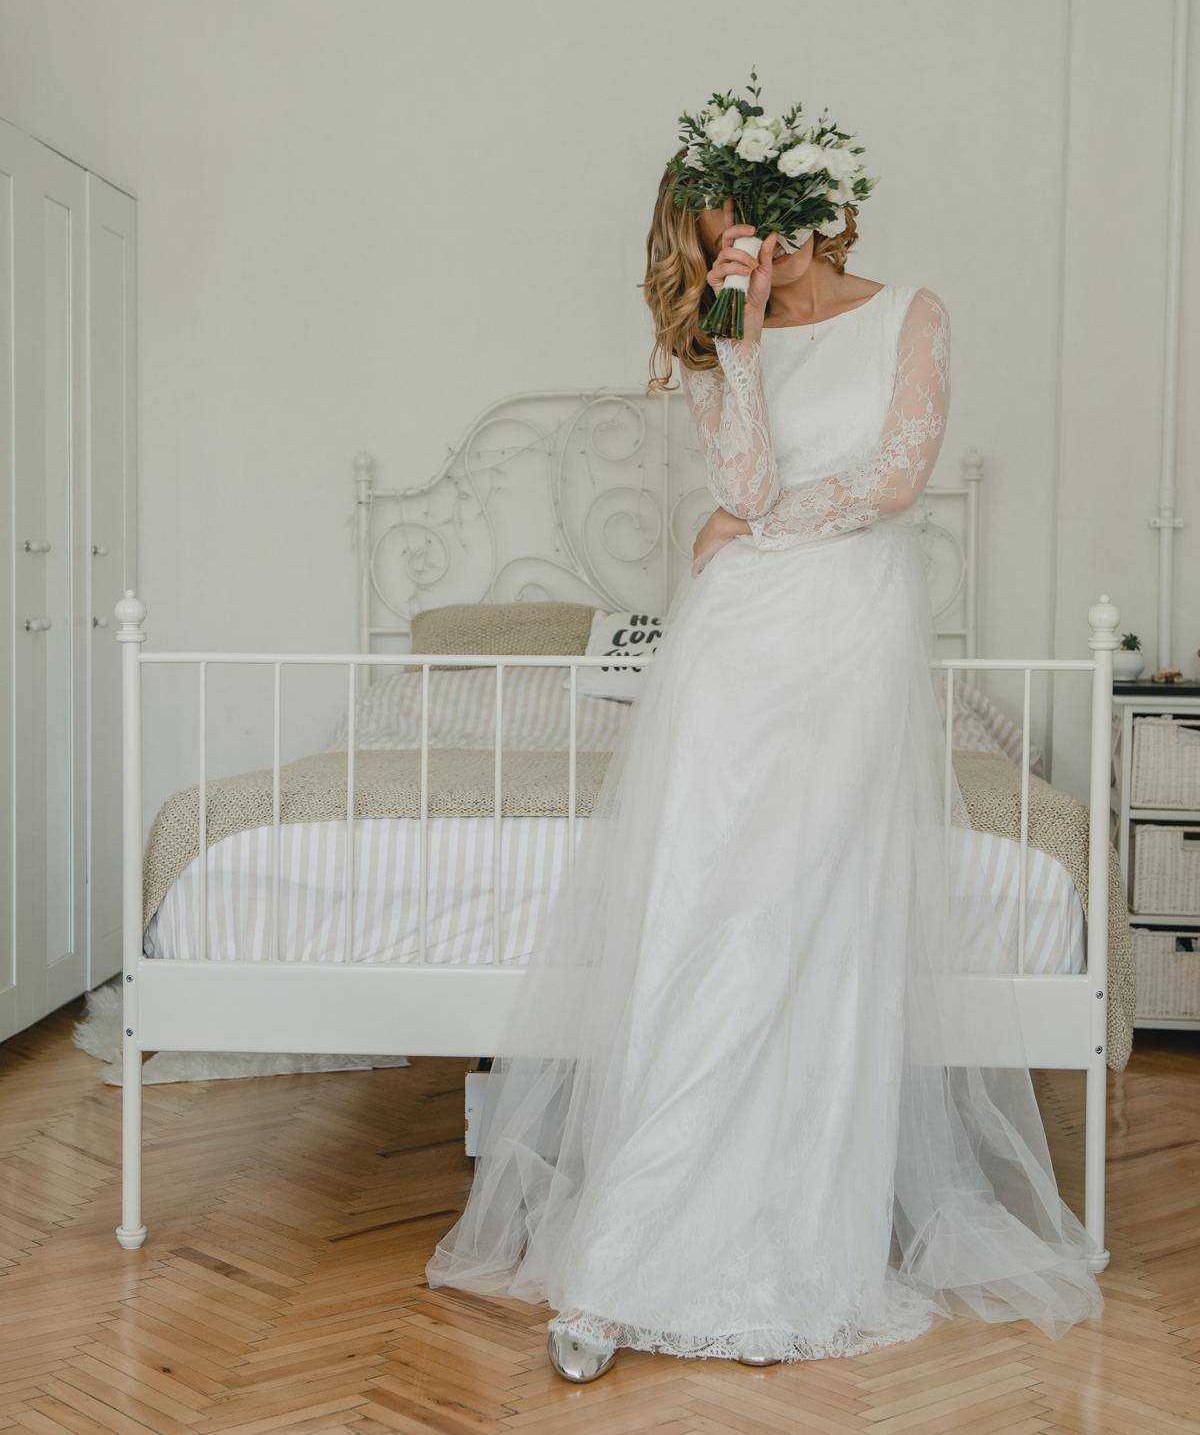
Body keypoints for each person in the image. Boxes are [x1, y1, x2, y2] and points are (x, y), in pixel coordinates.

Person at [425, 164, 1103, 1378]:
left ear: (802, 204)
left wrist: (752, 527)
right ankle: (625, 1260)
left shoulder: (913, 315)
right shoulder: (717, 341)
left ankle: (793, 1246)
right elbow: (738, 486)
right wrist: (732, 350)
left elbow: (895, 482)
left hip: (849, 629)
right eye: (717, 239)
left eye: (752, 222)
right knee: (702, 913)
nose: (746, 248)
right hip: (733, 639)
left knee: (811, 920)